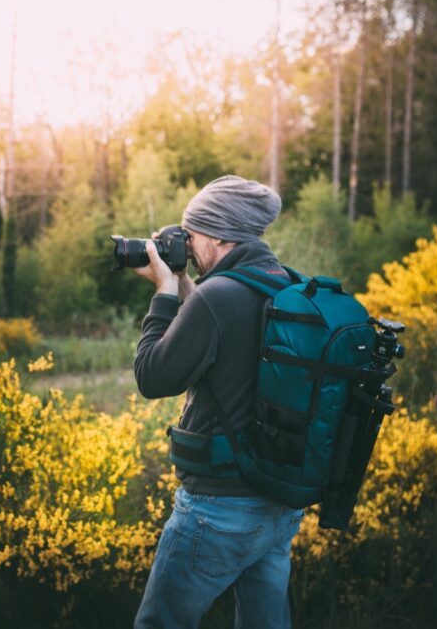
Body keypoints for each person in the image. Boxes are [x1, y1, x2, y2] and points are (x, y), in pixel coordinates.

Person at [131, 175, 304, 629]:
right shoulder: (282, 285)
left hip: (217, 511)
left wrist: (164, 290)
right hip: (278, 503)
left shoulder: (218, 298)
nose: (185, 243)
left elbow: (152, 377)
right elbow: (218, 328)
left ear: (219, 234)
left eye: (191, 235)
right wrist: (187, 280)